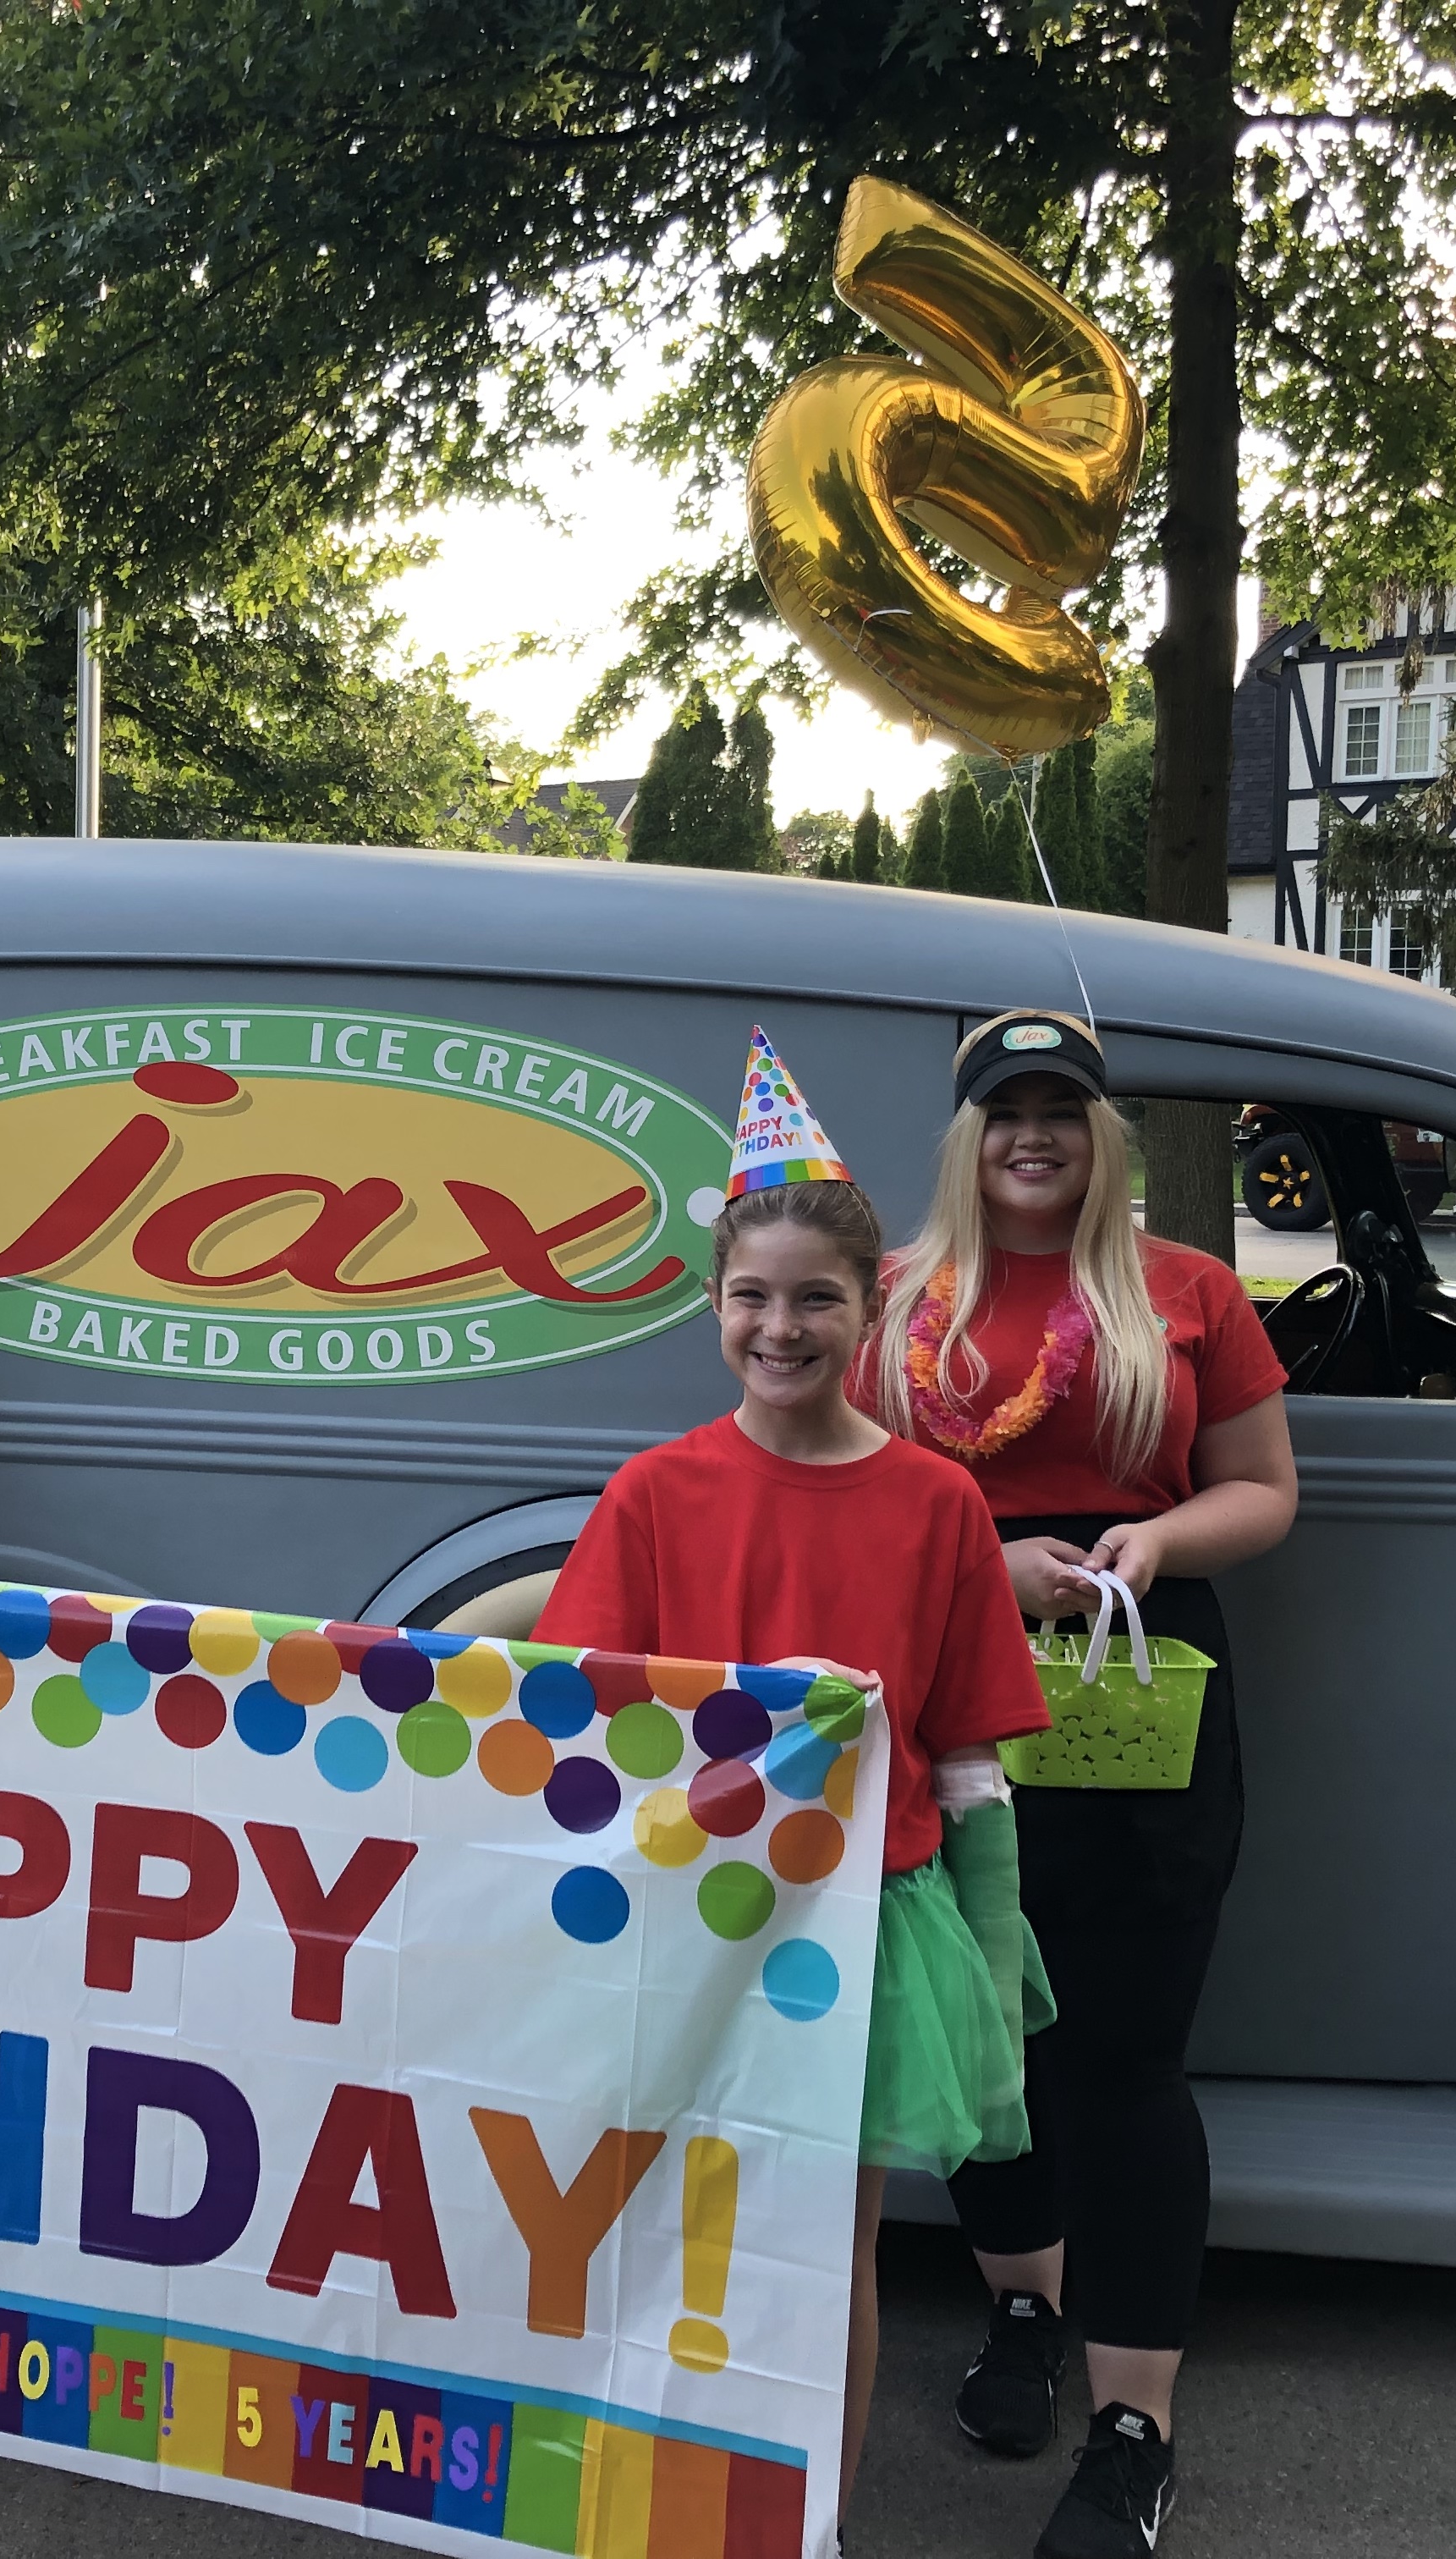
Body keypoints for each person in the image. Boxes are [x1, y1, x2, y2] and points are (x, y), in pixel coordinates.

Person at [533, 1032, 1052, 2536]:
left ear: (870, 1306)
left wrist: (992, 1953)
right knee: (662, 2223)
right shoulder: (655, 1493)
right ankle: (655, 2499)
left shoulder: (938, 1503)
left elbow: (970, 1754)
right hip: (686, 1927)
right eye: (751, 1296)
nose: (781, 1325)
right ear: (714, 1307)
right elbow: (581, 1728)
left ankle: (806, 2517)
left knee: (826, 2247)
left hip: (861, 1935)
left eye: (815, 1296)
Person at [854, 1011, 1298, 2559]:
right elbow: (837, 1492)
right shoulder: (891, 1297)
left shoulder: (1187, 1292)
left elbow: (1265, 1488)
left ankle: (1134, 2426)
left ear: (1104, 1134)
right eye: (1003, 1110)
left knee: (1123, 2050)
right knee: (981, 2021)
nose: (1030, 1134)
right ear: (965, 1137)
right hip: (942, 1669)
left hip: (1136, 1670)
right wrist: (983, 1562)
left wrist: (1156, 1539)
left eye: (1059, 1108)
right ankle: (1023, 2311)